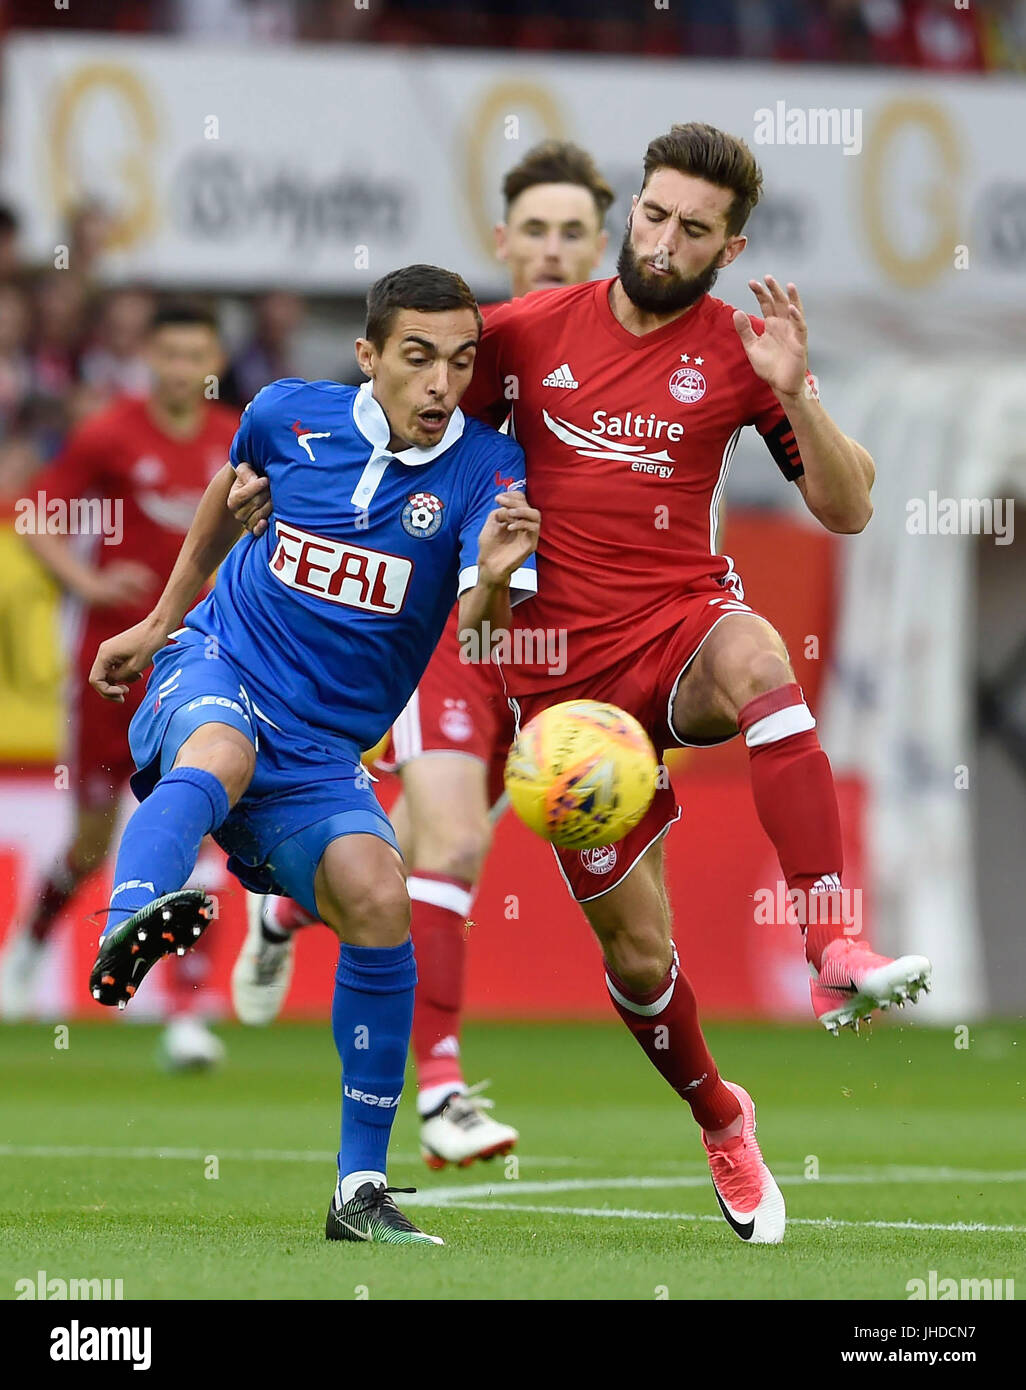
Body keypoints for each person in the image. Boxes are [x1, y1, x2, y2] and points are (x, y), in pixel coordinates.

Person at [231, 124, 933, 1245]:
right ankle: (720, 1112)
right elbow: (394, 403)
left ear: (730, 241)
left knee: (761, 659)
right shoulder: (524, 334)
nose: (661, 239)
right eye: (651, 214)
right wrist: (286, 487)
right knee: (641, 958)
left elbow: (846, 506)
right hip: (558, 694)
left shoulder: (741, 353)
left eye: (692, 227)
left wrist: (798, 394)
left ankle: (831, 943)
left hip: (681, 629)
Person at [84, 264, 539, 1244]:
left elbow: (481, 632)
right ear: (369, 355)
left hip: (326, 744)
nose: (438, 384)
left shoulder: (490, 471)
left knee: (378, 892)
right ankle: (131, 918)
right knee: (222, 747)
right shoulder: (290, 413)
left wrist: (496, 583)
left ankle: (358, 1192)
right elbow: (229, 486)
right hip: (218, 663)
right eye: (416, 358)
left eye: (459, 362)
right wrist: (163, 618)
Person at [231, 141, 613, 1172]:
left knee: (406, 856)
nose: (551, 248)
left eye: (572, 231)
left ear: (601, 244)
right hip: (445, 621)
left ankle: (282, 899)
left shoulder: (629, 359)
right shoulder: (461, 353)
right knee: (450, 839)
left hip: (560, 638)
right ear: (503, 242)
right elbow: (346, 432)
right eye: (533, 230)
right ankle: (439, 1089)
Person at [1, 302, 237, 1068]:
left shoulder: (238, 435)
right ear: (149, 359)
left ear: (212, 361)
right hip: (113, 666)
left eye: (193, 354)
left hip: (205, 662)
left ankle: (188, 1011)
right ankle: (31, 945)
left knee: (203, 826)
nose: (179, 368)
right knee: (92, 840)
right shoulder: (111, 431)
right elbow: (33, 512)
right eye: (166, 353)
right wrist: (88, 582)